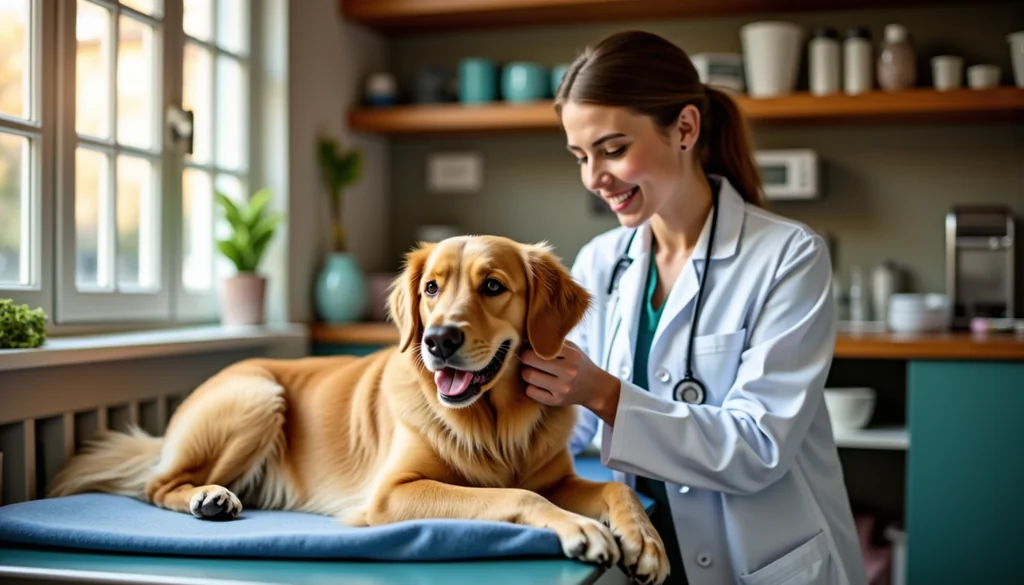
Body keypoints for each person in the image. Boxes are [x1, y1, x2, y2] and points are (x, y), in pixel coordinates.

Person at [520, 30, 869, 585]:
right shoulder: (600, 261)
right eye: (580, 156)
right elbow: (575, 423)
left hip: (759, 560)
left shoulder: (788, 256)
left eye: (613, 149)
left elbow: (758, 447)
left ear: (685, 128)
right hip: (647, 551)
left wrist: (603, 392)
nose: (594, 178)